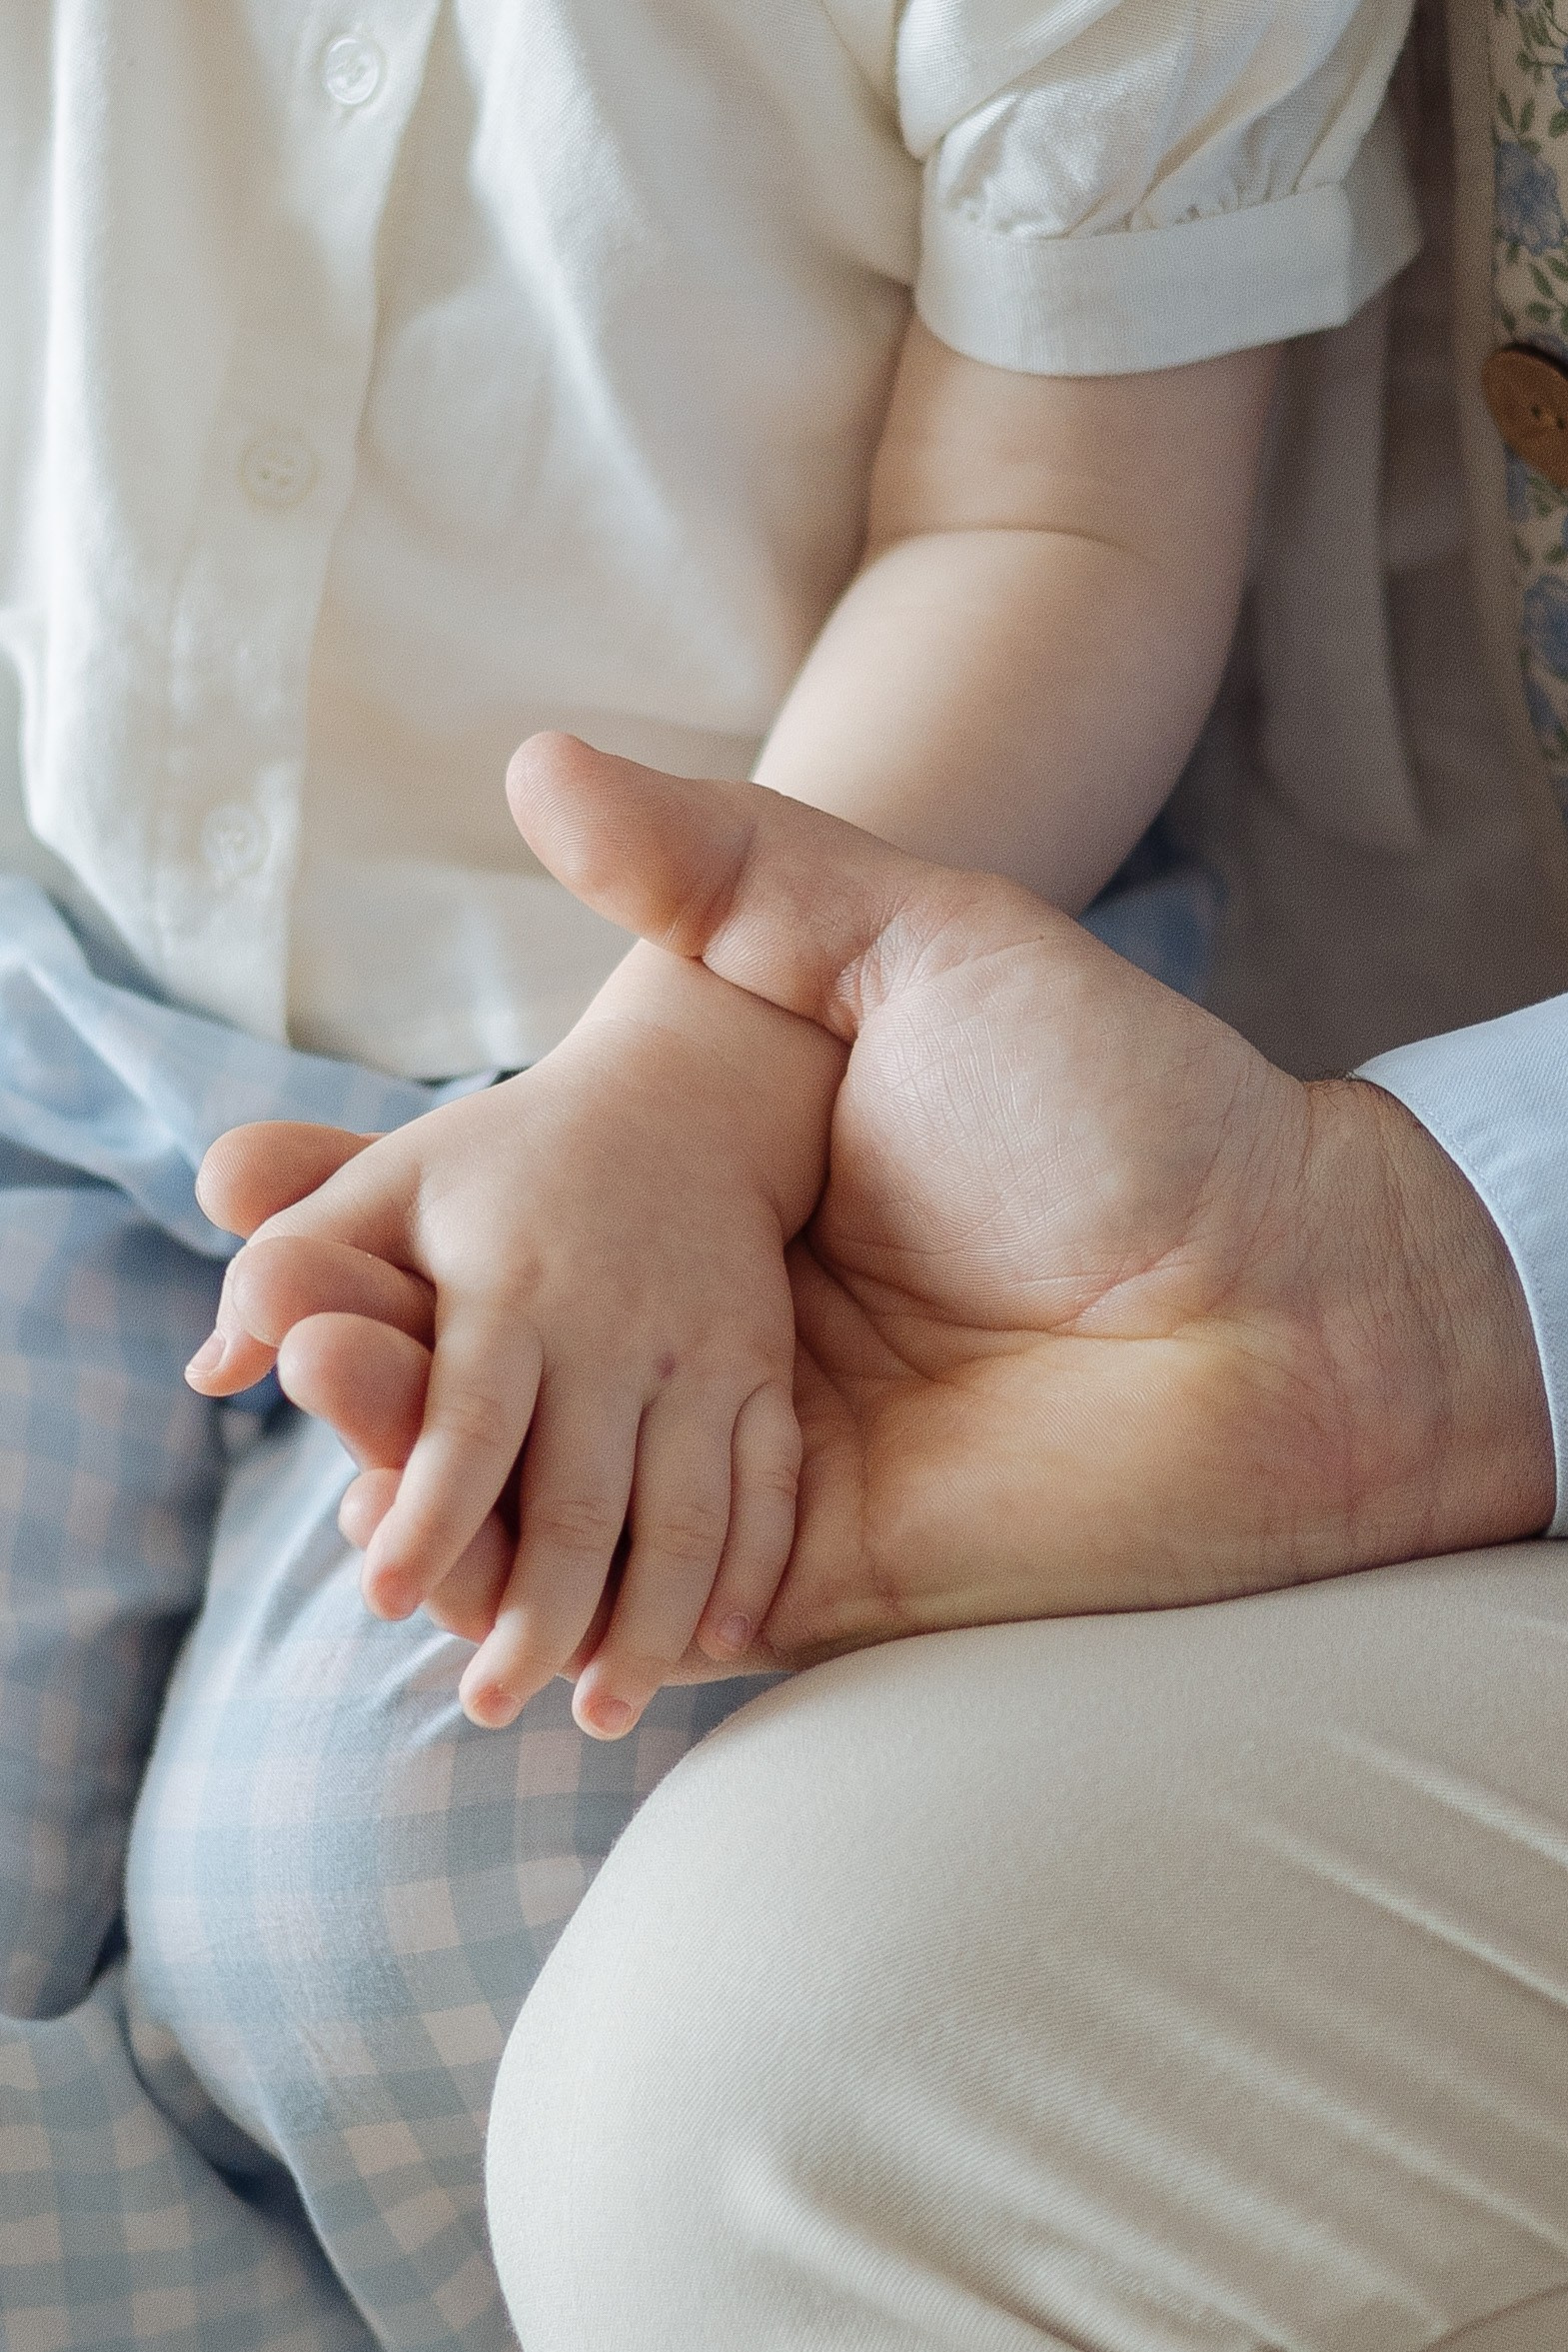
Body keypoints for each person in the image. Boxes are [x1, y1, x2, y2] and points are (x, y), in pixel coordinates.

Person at [1, 6, 1561, 2351]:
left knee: (386, 1890)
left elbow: (1050, 522)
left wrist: (689, 1069)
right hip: (64, 1026)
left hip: (764, 1079)